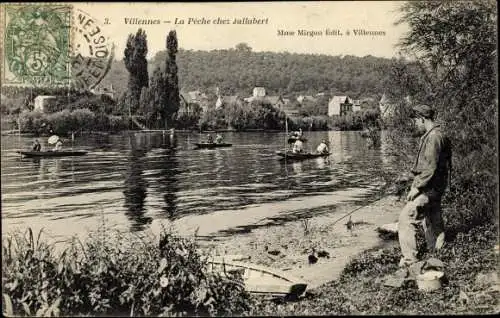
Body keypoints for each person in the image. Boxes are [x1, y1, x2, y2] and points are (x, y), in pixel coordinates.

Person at [397, 104, 452, 271]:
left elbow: (431, 168)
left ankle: (410, 260)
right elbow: (430, 167)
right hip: (436, 187)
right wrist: (410, 179)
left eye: (415, 121)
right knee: (433, 218)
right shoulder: (435, 134)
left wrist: (417, 187)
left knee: (406, 218)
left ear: (422, 119)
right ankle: (438, 250)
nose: (415, 124)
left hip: (430, 189)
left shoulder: (434, 137)